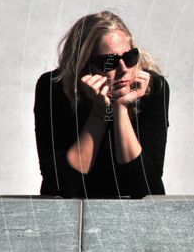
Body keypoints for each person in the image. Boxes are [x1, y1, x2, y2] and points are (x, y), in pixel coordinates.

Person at [34, 11, 169, 198]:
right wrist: (100, 112)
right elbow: (61, 184)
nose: (123, 69)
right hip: (70, 213)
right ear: (83, 65)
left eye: (129, 57)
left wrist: (120, 107)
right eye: (109, 62)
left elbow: (144, 186)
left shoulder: (152, 88)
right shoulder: (53, 89)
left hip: (138, 216)